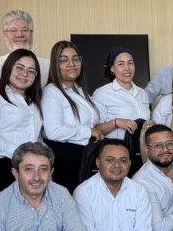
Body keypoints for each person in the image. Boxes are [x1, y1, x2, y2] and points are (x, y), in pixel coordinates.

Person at [41, 40, 124, 191]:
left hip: (86, 159)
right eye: (64, 60)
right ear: (55, 65)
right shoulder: (52, 92)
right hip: (68, 164)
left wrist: (114, 122)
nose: (71, 64)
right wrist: (88, 131)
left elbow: (95, 125)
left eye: (75, 59)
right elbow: (53, 131)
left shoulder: (80, 90)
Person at [0, 49, 43, 190]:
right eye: (19, 68)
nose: (25, 74)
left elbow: (35, 135)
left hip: (32, 167)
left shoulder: (33, 101)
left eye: (31, 71)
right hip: (5, 166)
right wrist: (20, 153)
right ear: (9, 67)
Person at [0, 10, 50, 90]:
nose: (19, 35)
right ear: (5, 35)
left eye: (24, 30)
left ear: (31, 34)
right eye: (13, 30)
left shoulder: (47, 67)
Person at [91, 47, 150, 140]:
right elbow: (94, 130)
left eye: (130, 63)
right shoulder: (102, 93)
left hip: (142, 148)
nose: (127, 68)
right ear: (112, 68)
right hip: (116, 147)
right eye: (121, 64)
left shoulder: (142, 93)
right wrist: (115, 122)